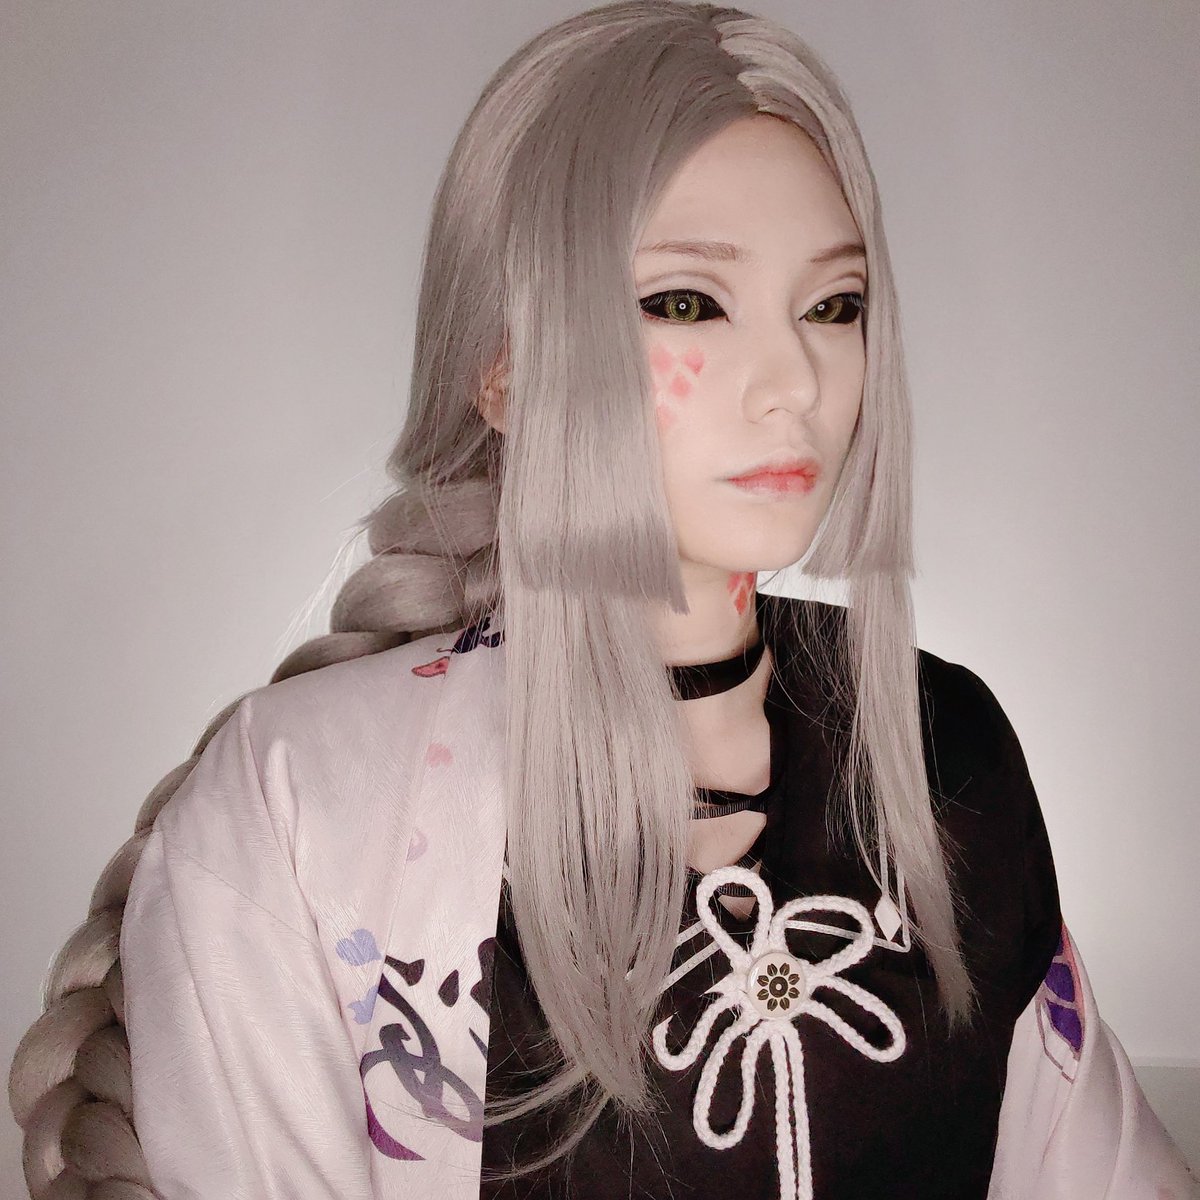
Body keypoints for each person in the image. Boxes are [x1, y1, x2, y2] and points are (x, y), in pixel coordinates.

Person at [7, 2, 1196, 1198]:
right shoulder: (300, 802)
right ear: (505, 368)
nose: (793, 381)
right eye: (688, 302)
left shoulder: (948, 750)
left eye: (834, 306)